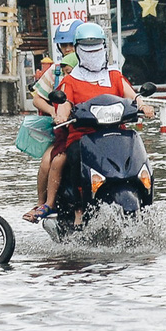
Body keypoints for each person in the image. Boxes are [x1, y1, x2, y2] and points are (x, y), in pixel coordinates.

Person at [34, 22, 147, 220]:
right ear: (78, 50)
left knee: (137, 153)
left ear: (104, 48)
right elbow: (66, 102)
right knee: (76, 155)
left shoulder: (114, 75)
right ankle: (79, 207)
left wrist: (144, 105)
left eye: (96, 48)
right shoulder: (71, 80)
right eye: (87, 49)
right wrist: (61, 114)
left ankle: (146, 198)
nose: (92, 53)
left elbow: (133, 96)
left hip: (116, 133)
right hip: (83, 136)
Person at [22, 24, 81, 222]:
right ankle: (44, 203)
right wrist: (55, 112)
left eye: (71, 45)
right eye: (64, 46)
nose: (67, 49)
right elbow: (38, 98)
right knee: (49, 162)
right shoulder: (56, 72)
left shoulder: (93, 71)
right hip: (63, 131)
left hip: (88, 130)